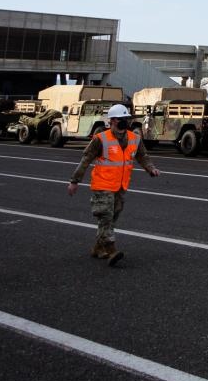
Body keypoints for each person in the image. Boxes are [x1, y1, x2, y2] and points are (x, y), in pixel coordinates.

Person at [66, 104, 158, 267]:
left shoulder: (134, 138)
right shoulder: (100, 139)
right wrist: (74, 181)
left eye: (126, 119)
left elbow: (142, 156)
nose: (125, 122)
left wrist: (150, 168)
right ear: (112, 121)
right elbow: (85, 159)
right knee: (106, 217)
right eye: (121, 119)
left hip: (121, 186)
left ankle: (97, 248)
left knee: (111, 219)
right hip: (102, 185)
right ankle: (112, 250)